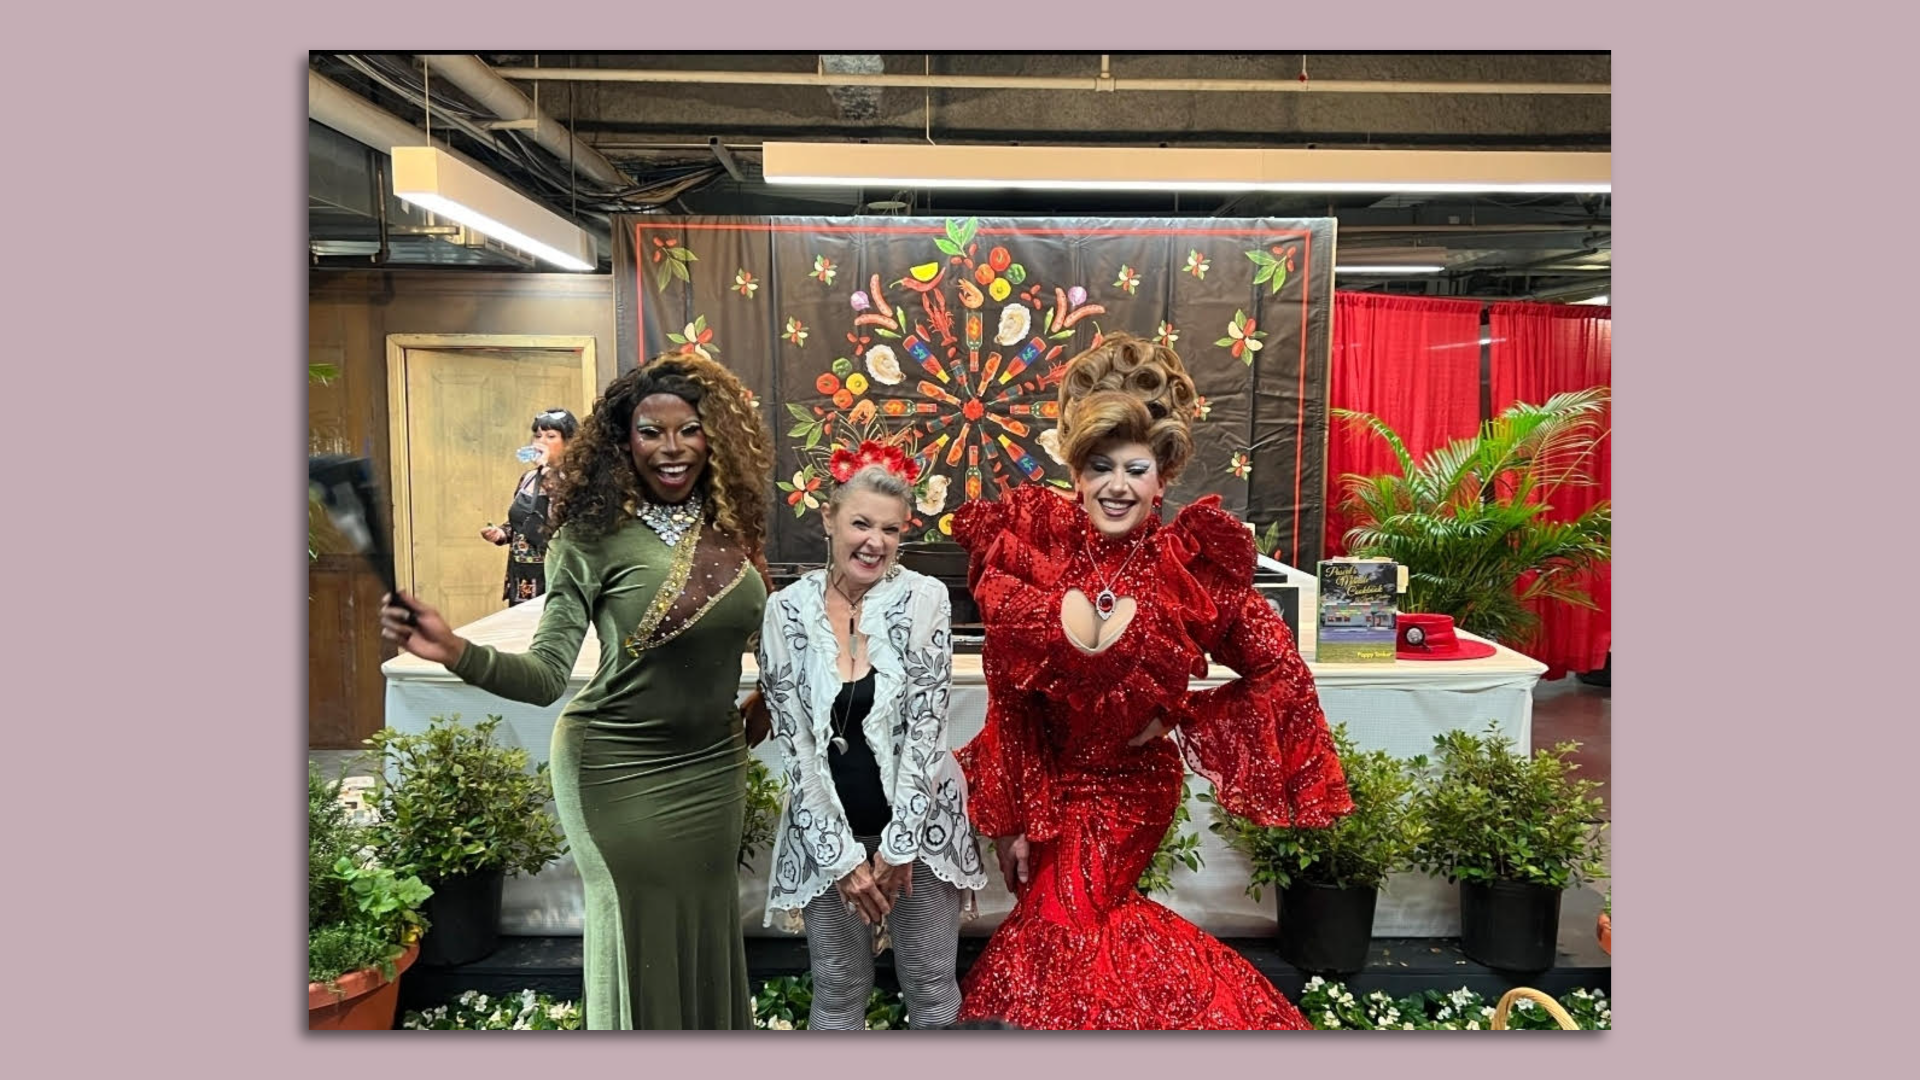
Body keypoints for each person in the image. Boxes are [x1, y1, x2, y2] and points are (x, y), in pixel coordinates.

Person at [948, 333, 1354, 1029]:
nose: (1117, 486)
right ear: (1077, 473)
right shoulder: (1035, 546)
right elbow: (1010, 696)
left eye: (1135, 469)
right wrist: (1014, 818)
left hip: (1130, 790)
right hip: (1050, 781)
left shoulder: (1186, 566)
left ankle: (1231, 1027)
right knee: (1066, 938)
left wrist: (1184, 714)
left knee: (1063, 927)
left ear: (1161, 476)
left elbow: (1279, 670)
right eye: (1100, 466)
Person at [380, 354, 775, 1030]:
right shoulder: (588, 540)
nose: (672, 448)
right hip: (613, 767)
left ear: (714, 437)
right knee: (637, 932)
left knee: (708, 924)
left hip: (713, 767)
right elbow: (543, 676)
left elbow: (769, 638)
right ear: (624, 441)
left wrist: (768, 694)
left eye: (689, 430)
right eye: (651, 431)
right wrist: (453, 651)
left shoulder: (735, 530)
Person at [756, 440, 987, 1031]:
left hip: (921, 829)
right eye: (861, 523)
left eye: (890, 529)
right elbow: (795, 745)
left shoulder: (925, 598)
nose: (875, 542)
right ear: (829, 520)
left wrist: (900, 847)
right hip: (826, 832)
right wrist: (840, 859)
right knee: (838, 988)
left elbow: (927, 732)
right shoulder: (785, 611)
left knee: (930, 983)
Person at [481, 407, 577, 605]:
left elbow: (565, 509)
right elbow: (521, 521)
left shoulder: (576, 477)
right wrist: (501, 533)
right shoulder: (529, 478)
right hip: (523, 575)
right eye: (538, 435)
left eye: (551, 436)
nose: (541, 441)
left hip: (555, 573)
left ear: (569, 442)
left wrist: (546, 469)